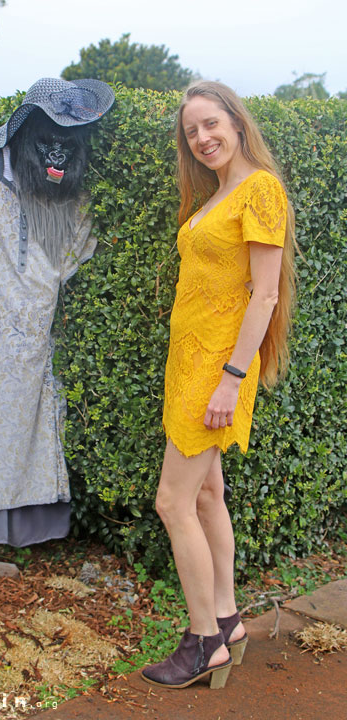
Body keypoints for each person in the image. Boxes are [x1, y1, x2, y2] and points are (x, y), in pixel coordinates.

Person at [141, 81, 296, 690]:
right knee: (205, 497)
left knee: (171, 502)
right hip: (191, 362)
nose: (202, 138)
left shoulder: (259, 188)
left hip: (217, 368)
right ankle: (227, 618)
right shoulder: (221, 191)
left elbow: (266, 293)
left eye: (211, 124)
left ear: (236, 120)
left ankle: (203, 638)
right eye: (191, 132)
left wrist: (232, 379)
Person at [0, 78, 114, 548]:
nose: (57, 155)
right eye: (48, 140)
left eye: (67, 144)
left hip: (33, 334)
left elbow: (67, 256)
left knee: (30, 430)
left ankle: (24, 529)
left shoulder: (69, 199)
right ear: (26, 129)